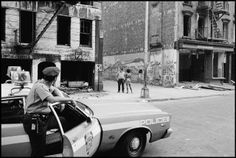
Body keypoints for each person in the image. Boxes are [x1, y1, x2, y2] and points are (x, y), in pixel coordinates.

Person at [22, 66, 73, 157]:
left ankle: (60, 144)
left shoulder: (42, 83)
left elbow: (55, 89)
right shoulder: (40, 87)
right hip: (35, 120)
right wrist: (69, 100)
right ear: (55, 78)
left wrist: (63, 102)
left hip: (43, 118)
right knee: (38, 150)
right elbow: (52, 99)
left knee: (64, 121)